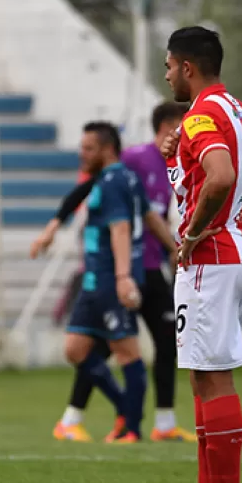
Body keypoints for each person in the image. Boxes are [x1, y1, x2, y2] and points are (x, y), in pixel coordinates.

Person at [33, 102, 196, 442]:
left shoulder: (121, 178)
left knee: (134, 349)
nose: (82, 154)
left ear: (106, 150)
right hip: (102, 276)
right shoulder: (128, 167)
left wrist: (163, 254)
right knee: (80, 348)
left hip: (118, 275)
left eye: (88, 148)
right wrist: (53, 226)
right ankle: (119, 411)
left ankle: (135, 425)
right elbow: (138, 212)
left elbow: (131, 224)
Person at [160, 26, 242, 483]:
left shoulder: (202, 114)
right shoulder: (238, 110)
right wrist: (174, 155)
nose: (165, 76)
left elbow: (219, 176)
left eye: (168, 66)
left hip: (213, 255)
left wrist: (192, 233)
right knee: (204, 376)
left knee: (214, 378)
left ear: (187, 66)